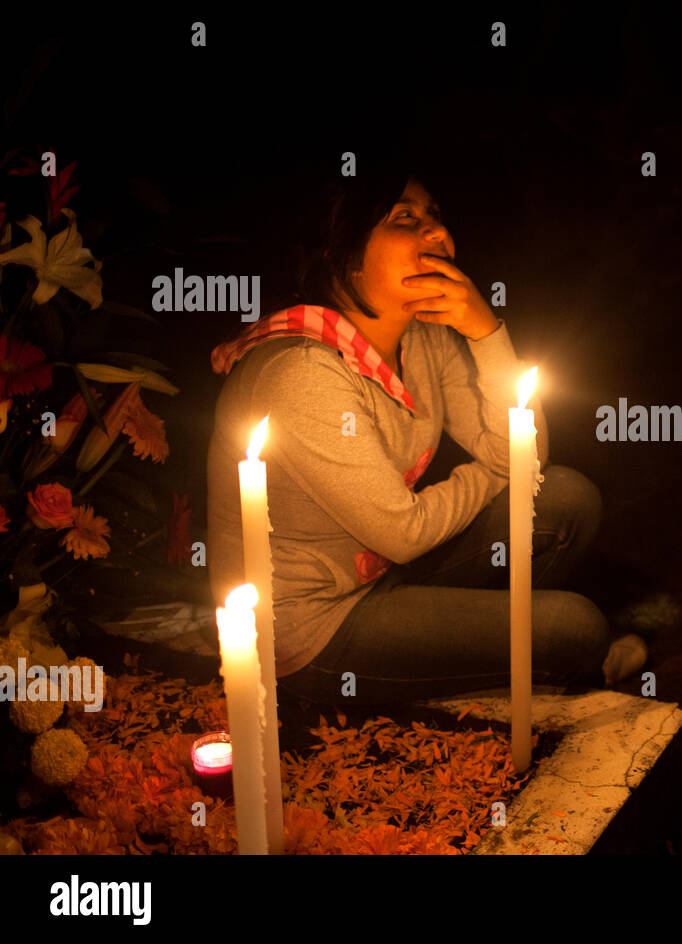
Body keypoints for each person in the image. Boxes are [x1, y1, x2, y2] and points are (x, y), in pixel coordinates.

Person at [205, 168, 648, 705]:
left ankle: (471, 657)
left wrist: (486, 333)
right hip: (311, 629)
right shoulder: (303, 372)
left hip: (379, 576)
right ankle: (538, 663)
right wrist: (497, 469)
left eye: (435, 215)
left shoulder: (421, 337)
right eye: (405, 219)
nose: (437, 233)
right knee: (574, 628)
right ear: (344, 253)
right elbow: (405, 532)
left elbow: (530, 453)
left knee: (566, 498)